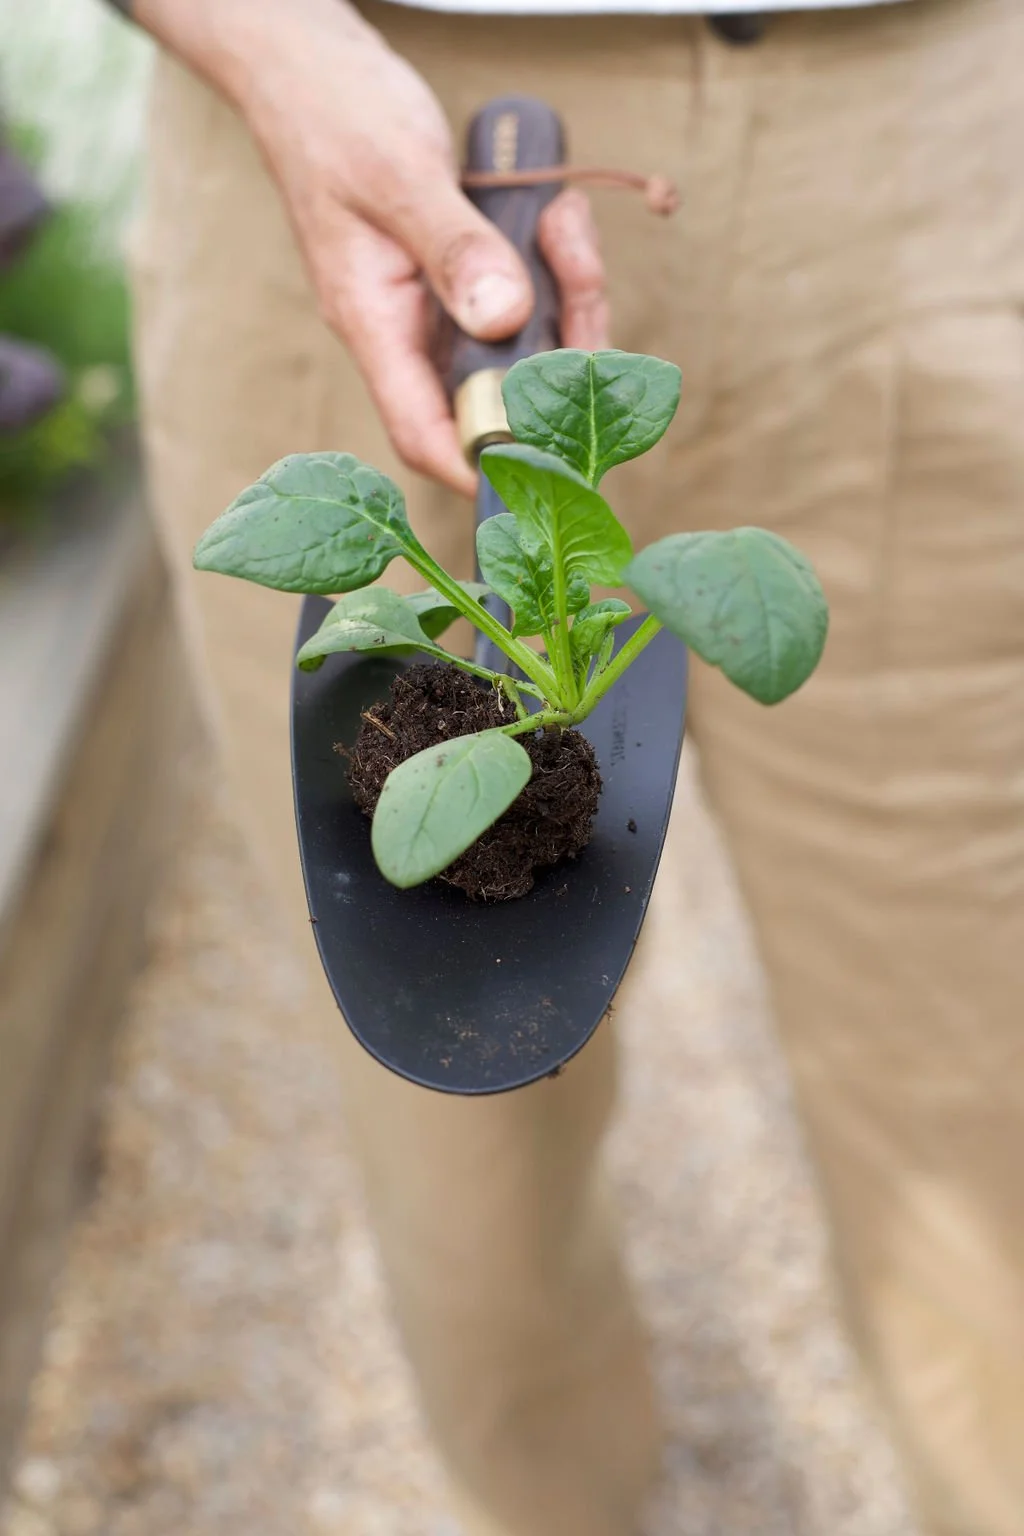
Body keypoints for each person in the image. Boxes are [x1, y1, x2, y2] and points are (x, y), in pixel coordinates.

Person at [111, 0, 1024, 1531]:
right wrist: (267, 47)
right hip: (356, 136)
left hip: (926, 133)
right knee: (458, 1125)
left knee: (976, 1087)